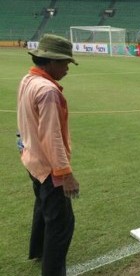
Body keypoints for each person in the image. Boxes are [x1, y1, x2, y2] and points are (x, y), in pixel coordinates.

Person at [17, 34, 80, 275]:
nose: (67, 68)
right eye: (65, 62)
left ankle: (38, 250)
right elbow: (52, 137)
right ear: (51, 61)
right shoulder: (48, 91)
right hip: (49, 166)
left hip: (32, 159)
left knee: (43, 209)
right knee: (61, 224)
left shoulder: (28, 79)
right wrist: (66, 176)